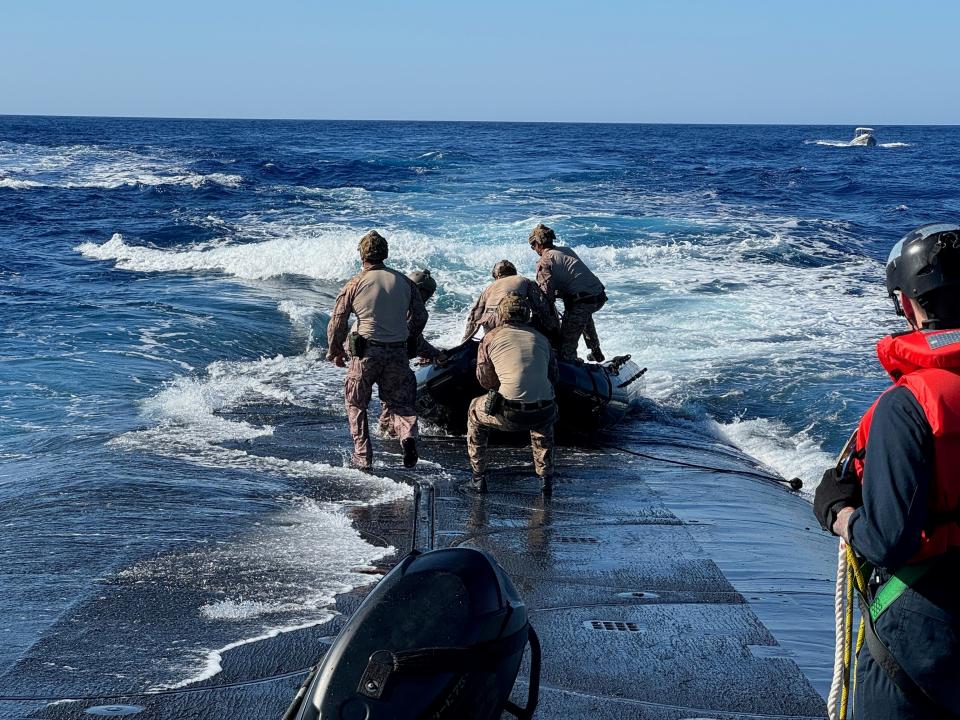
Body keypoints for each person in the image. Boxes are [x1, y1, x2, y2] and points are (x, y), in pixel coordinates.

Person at [814, 223, 960, 718]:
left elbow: (889, 540)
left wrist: (838, 512)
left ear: (907, 303)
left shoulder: (909, 404)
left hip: (926, 628)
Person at [327, 231, 427, 469]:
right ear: (385, 253)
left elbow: (338, 321)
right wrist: (409, 337)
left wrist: (335, 350)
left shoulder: (355, 283)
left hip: (366, 354)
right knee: (400, 404)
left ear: (362, 255)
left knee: (356, 404)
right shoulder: (405, 282)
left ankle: (363, 456)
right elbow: (421, 315)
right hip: (397, 353)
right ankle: (408, 437)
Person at [466, 293, 558, 495]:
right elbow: (553, 376)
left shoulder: (490, 338)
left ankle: (477, 476)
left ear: (501, 314)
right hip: (544, 411)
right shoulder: (542, 338)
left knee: (474, 410)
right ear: (526, 314)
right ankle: (545, 479)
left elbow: (485, 380)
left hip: (511, 413)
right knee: (543, 418)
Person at [378, 269, 447, 439]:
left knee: (387, 397)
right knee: (399, 397)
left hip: (371, 353)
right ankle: (398, 434)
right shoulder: (416, 311)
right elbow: (414, 341)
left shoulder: (390, 300)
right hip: (393, 357)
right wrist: (436, 354)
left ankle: (385, 431)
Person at [528, 223, 607, 362]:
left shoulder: (545, 261)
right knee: (583, 316)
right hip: (598, 296)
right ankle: (596, 350)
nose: (534, 249)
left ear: (538, 244)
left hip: (583, 301)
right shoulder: (565, 250)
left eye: (533, 246)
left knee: (565, 345)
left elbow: (546, 297)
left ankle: (570, 364)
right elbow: (572, 277)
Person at [461, 260, 558, 342]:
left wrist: (465, 340)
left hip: (489, 322)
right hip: (510, 318)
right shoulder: (524, 280)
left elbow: (474, 315)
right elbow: (540, 305)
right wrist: (551, 328)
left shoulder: (489, 288)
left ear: (497, 275)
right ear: (514, 271)